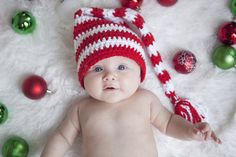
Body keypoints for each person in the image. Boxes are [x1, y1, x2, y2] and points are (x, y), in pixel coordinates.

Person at [41, 7, 222, 157]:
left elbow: (168, 124)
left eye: (121, 68)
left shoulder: (145, 100)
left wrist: (190, 131)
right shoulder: (81, 109)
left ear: (139, 74)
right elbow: (63, 137)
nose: (109, 76)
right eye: (97, 69)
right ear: (83, 78)